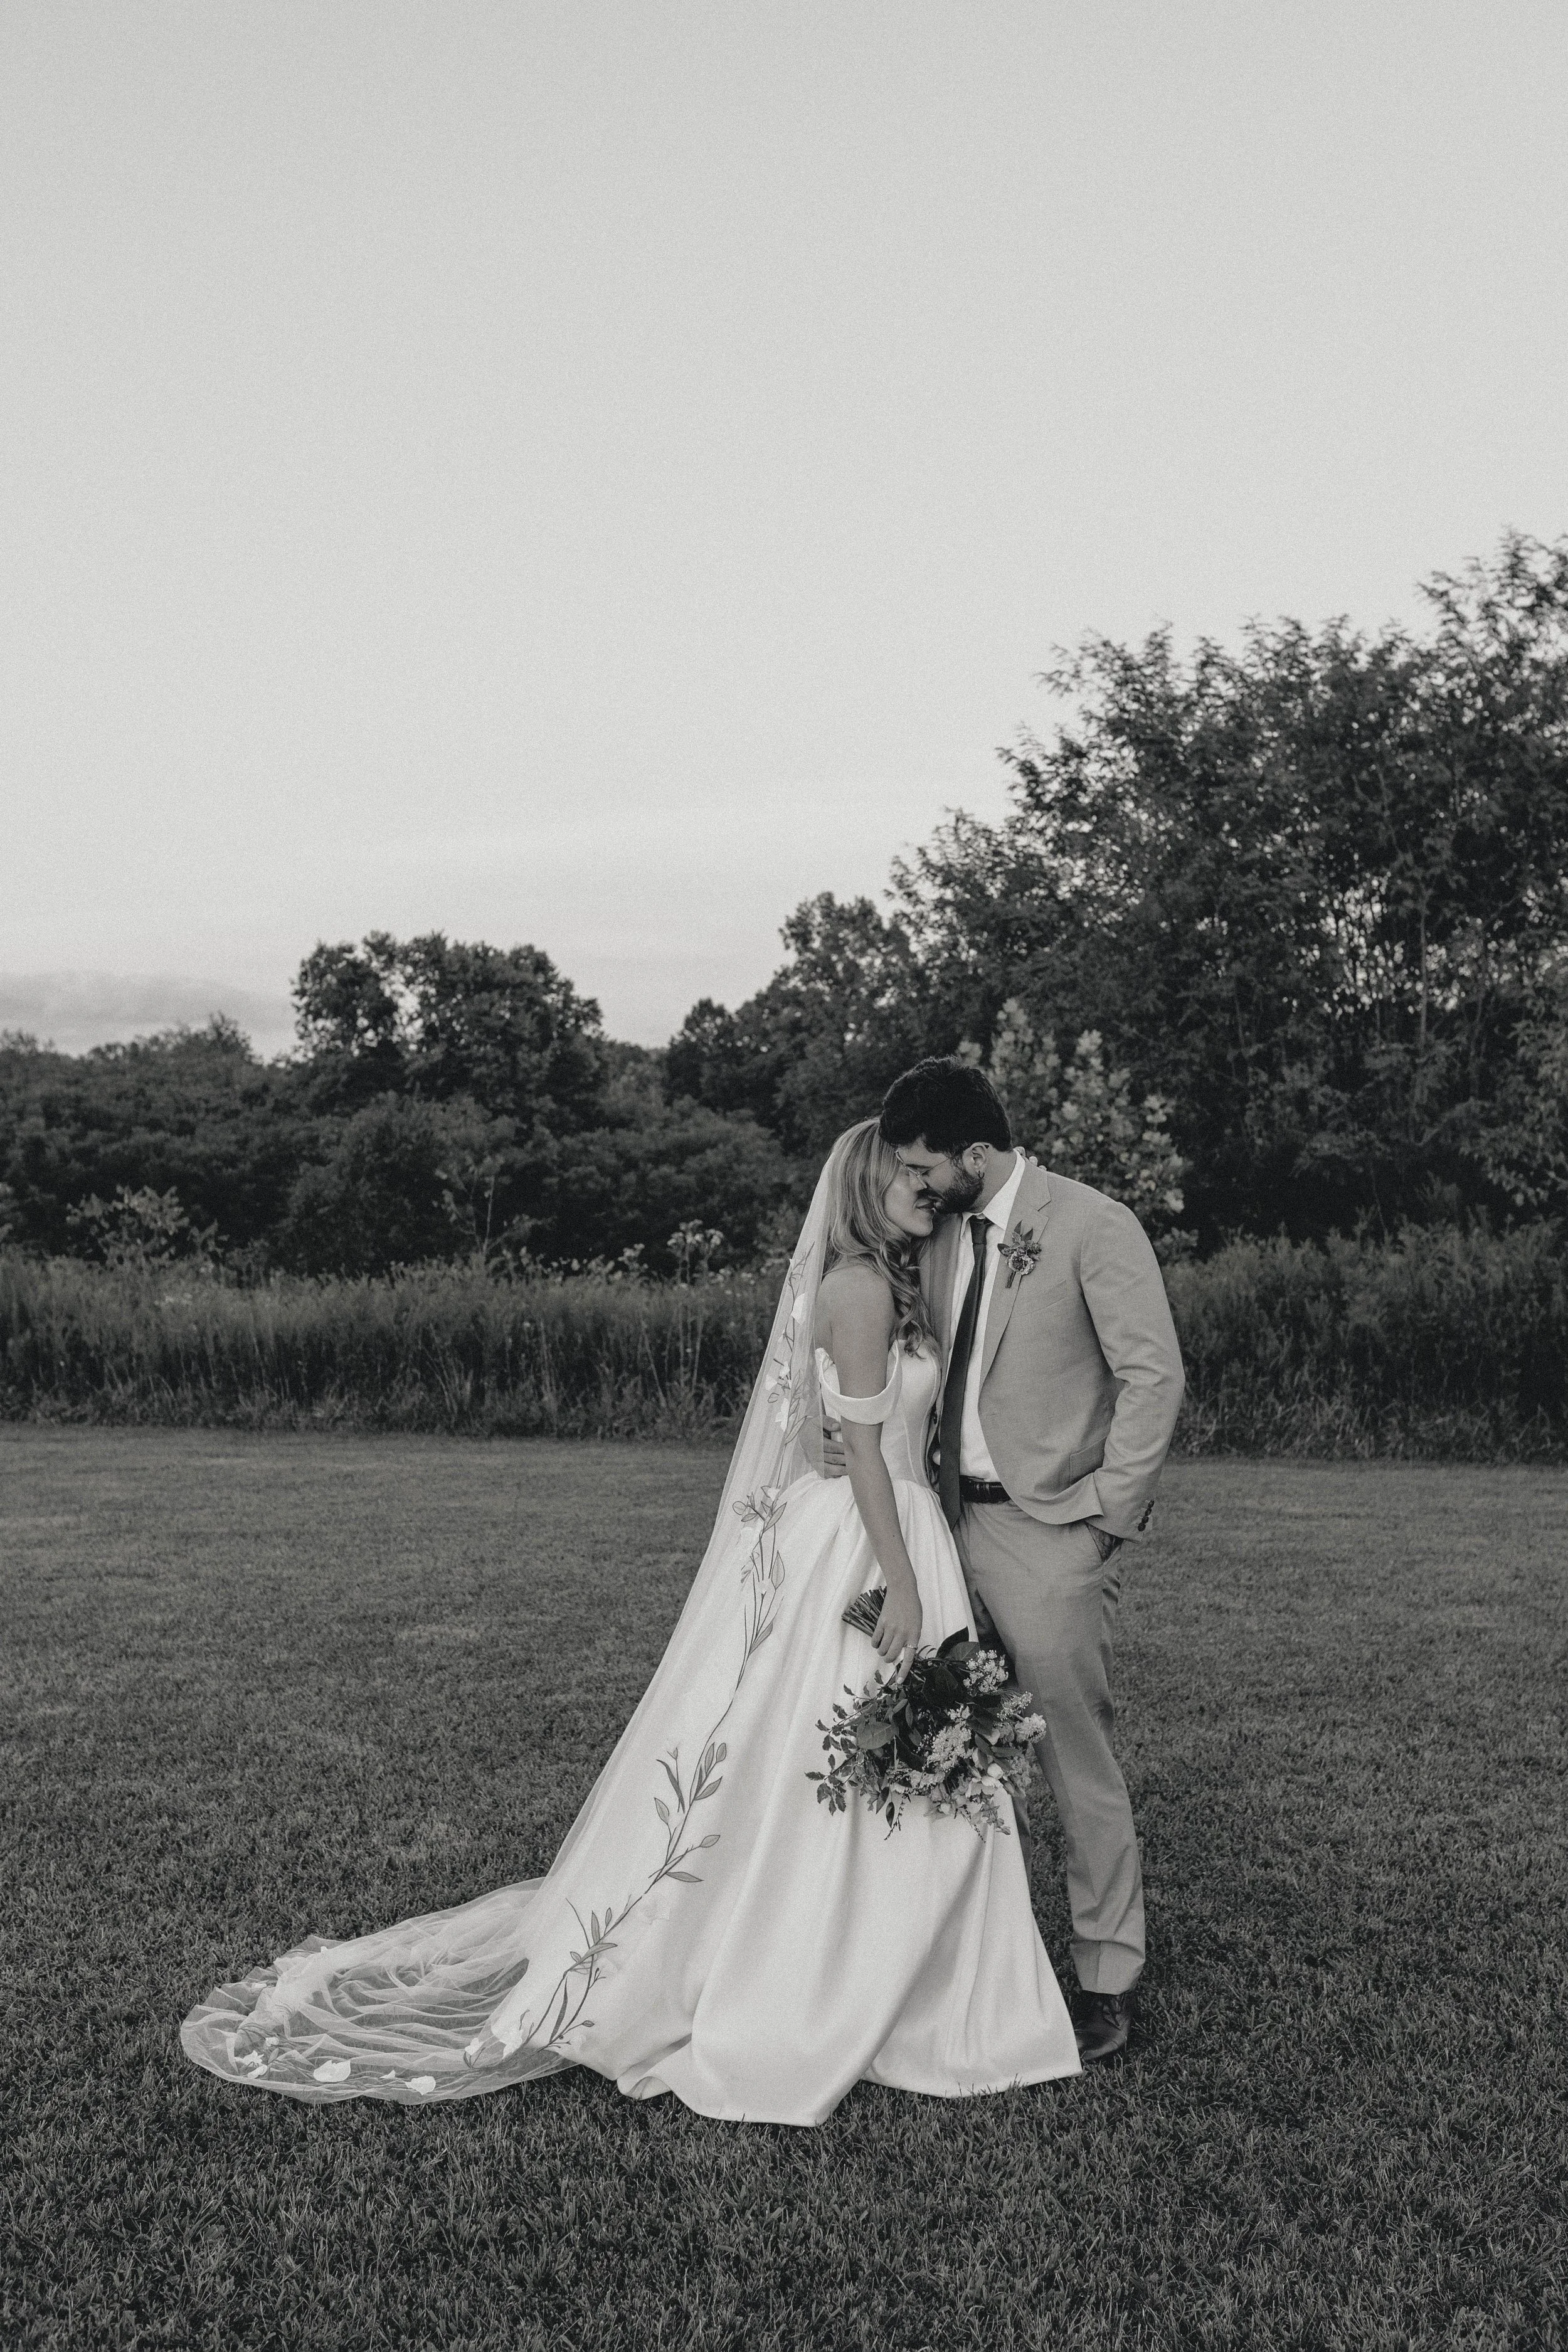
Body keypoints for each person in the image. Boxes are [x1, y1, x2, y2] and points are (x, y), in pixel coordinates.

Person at [180, 1118, 1079, 2125]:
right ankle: (847, 1980)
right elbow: (864, 1454)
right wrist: (905, 1586)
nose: (929, 1187)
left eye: (932, 1173)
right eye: (909, 1175)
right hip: (871, 1542)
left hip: (894, 1524)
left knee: (869, 1750)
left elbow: (851, 1425)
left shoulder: (905, 1279)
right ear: (868, 1187)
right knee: (832, 1740)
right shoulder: (861, 1288)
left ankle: (922, 1977)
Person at [877, 1057, 1185, 2063]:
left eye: (929, 1165)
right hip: (941, 1522)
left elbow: (1154, 1376)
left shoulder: (1095, 1224)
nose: (917, 1184)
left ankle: (1105, 1973)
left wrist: (1104, 1521)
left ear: (976, 1154)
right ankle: (950, 1954)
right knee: (936, 1732)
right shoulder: (937, 1232)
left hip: (1050, 1531)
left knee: (1071, 1754)